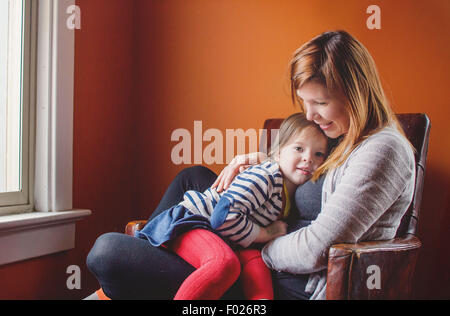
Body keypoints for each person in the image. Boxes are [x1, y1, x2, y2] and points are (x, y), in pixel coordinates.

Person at [85, 30, 416, 300]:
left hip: (274, 280)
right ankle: (153, 253)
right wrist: (256, 160)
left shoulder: (383, 151)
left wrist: (257, 241)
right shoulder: (343, 133)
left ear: (355, 93)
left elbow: (316, 248)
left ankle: (138, 269)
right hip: (252, 240)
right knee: (193, 177)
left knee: (108, 252)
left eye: (320, 103)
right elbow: (297, 168)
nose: (311, 115)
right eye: (305, 103)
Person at [92, 113, 329, 300]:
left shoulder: (287, 188)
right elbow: (223, 216)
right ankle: (147, 248)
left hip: (234, 239)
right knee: (224, 264)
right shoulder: (267, 177)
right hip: (198, 223)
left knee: (259, 277)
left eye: (319, 154)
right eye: (299, 149)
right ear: (277, 153)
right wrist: (266, 233)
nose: (309, 158)